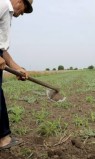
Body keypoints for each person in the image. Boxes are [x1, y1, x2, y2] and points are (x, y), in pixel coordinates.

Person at [0, 0, 33, 149]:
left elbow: (2, 49)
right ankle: (3, 138)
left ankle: (3, 137)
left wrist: (17, 67)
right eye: (25, 9)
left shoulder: (8, 13)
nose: (23, 14)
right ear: (20, 1)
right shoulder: (3, 5)